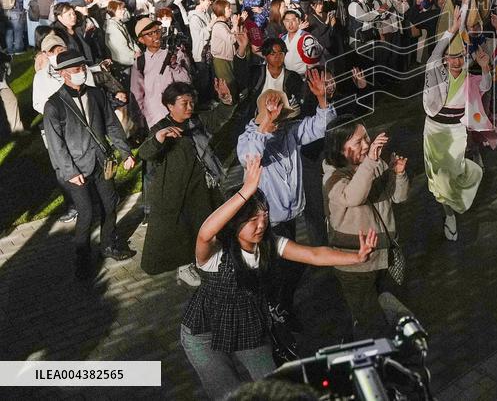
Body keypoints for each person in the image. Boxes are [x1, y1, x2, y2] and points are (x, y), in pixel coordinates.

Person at [180, 154, 377, 400]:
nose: (261, 224)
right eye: (252, 219)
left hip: (248, 327)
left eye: (264, 216)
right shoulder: (214, 255)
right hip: (203, 332)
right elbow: (205, 233)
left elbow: (314, 254)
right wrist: (246, 190)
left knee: (275, 390)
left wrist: (355, 257)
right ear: (235, 222)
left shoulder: (271, 244)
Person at [235, 69, 336, 316]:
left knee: (288, 269)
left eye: (281, 117)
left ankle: (282, 309)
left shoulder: (289, 132)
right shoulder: (248, 138)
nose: (279, 123)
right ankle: (273, 310)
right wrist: (267, 124)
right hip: (266, 222)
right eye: (275, 118)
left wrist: (323, 100)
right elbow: (252, 157)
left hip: (289, 217)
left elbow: (321, 126)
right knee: (280, 269)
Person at [42, 50, 137, 280]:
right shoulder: (54, 105)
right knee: (85, 214)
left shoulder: (96, 94)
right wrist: (70, 172)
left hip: (101, 162)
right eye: (75, 71)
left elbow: (112, 125)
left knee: (110, 204)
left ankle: (108, 244)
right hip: (75, 168)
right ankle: (82, 260)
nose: (81, 73)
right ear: (63, 74)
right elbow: (56, 145)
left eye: (83, 68)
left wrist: (125, 153)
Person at [137, 79, 236, 287]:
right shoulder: (161, 127)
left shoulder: (196, 121)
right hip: (176, 189)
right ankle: (184, 266)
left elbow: (220, 117)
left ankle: (207, 259)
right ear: (170, 106)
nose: (190, 107)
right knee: (182, 229)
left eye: (192, 102)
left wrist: (226, 100)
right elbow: (145, 153)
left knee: (207, 222)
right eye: (184, 103)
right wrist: (160, 138)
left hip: (201, 184)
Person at [324, 122, 413, 338]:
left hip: (383, 256)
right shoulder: (332, 176)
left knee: (384, 310)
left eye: (366, 138)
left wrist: (398, 175)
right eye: (358, 141)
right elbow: (353, 196)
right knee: (369, 322)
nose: (366, 144)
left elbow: (398, 197)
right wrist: (371, 162)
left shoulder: (374, 163)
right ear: (340, 148)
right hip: (354, 264)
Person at [422, 0, 493, 241]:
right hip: (433, 132)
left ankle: (452, 207)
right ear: (445, 59)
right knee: (438, 181)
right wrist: (451, 30)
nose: (456, 61)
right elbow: (433, 58)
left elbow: (484, 86)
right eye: (452, 57)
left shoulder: (468, 78)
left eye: (460, 57)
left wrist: (484, 68)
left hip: (455, 134)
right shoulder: (437, 74)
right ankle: (449, 215)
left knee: (451, 179)